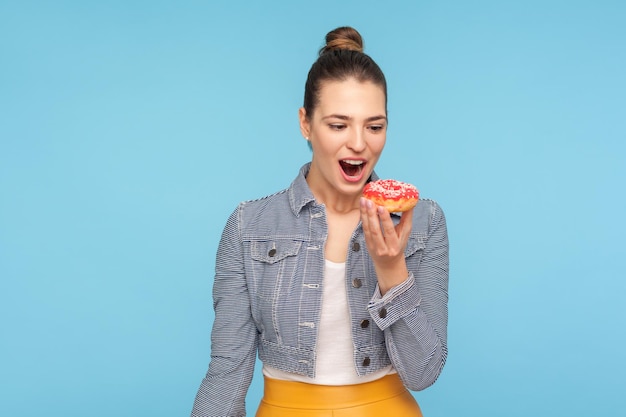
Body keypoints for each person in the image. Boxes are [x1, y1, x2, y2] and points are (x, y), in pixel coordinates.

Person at [191, 26, 449, 417]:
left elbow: (423, 372)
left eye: (374, 126)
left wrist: (392, 269)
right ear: (306, 123)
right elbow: (227, 372)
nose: (359, 143)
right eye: (338, 124)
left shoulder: (424, 220)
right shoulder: (248, 227)